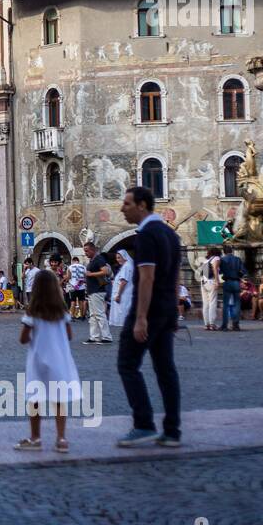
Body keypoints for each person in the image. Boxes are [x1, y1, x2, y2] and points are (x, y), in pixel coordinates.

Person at [115, 185, 182, 449]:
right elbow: (176, 276)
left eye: (127, 204)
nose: (123, 208)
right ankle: (172, 431)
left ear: (142, 205)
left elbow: (147, 277)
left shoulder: (146, 235)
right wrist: (175, 309)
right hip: (166, 309)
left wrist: (141, 317)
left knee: (127, 364)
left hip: (150, 309)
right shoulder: (169, 233)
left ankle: (143, 424)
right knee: (166, 370)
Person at [13, 269, 79, 453]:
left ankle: (35, 438)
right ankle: (61, 438)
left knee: (35, 400)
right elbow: (69, 335)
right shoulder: (63, 310)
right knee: (59, 400)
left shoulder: (33, 311)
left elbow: (23, 339)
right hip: (59, 359)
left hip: (38, 360)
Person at [81, 240, 113, 345]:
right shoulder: (92, 260)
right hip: (92, 291)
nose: (85, 253)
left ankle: (107, 336)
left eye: (87, 251)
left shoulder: (99, 259)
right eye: (84, 251)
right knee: (93, 315)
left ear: (93, 249)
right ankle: (94, 337)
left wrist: (90, 274)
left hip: (97, 290)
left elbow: (106, 271)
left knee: (99, 314)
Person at [217, 244, 246, 332]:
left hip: (227, 281)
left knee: (226, 305)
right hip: (236, 282)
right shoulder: (238, 259)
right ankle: (236, 325)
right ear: (232, 251)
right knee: (237, 304)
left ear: (224, 251)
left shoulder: (222, 260)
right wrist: (238, 275)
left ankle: (224, 325)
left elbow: (220, 271)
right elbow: (243, 271)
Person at [108, 250, 135, 329]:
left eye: (119, 258)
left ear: (124, 257)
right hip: (126, 294)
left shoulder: (126, 266)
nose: (117, 260)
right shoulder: (128, 265)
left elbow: (123, 282)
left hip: (124, 295)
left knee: (124, 315)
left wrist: (118, 295)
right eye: (117, 258)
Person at [199, 247, 221, 331]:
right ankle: (212, 324)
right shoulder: (216, 258)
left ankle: (206, 324)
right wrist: (217, 281)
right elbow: (215, 268)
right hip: (211, 282)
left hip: (203, 282)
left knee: (205, 303)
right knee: (212, 302)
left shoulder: (206, 261)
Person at [66, 255, 88, 320]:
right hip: (81, 287)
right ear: (78, 261)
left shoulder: (70, 267)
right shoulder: (83, 267)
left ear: (73, 261)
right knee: (81, 301)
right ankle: (82, 316)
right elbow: (86, 277)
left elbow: (68, 277)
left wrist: (67, 280)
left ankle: (72, 316)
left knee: (73, 301)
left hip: (73, 286)